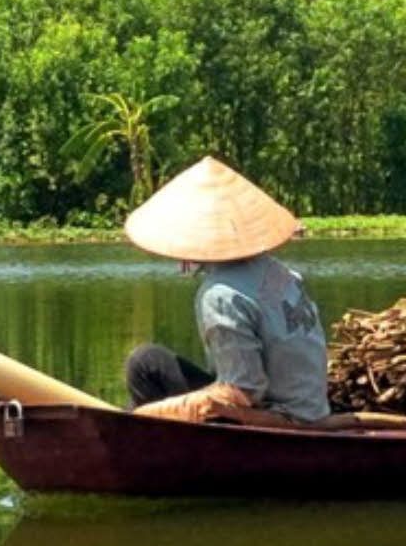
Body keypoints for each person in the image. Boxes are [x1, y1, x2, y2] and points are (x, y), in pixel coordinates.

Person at [121, 156, 330, 424]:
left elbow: (245, 390)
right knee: (150, 362)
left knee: (143, 366)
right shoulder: (279, 271)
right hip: (312, 409)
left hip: (276, 417)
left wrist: (157, 411)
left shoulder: (221, 295)